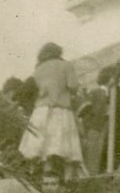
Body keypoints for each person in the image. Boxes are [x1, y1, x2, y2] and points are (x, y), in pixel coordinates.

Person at [19, 43, 85, 179]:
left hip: (40, 112)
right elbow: (73, 86)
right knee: (69, 151)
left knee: (45, 152)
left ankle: (46, 180)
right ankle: (67, 181)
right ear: (58, 52)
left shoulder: (38, 69)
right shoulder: (65, 65)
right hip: (60, 110)